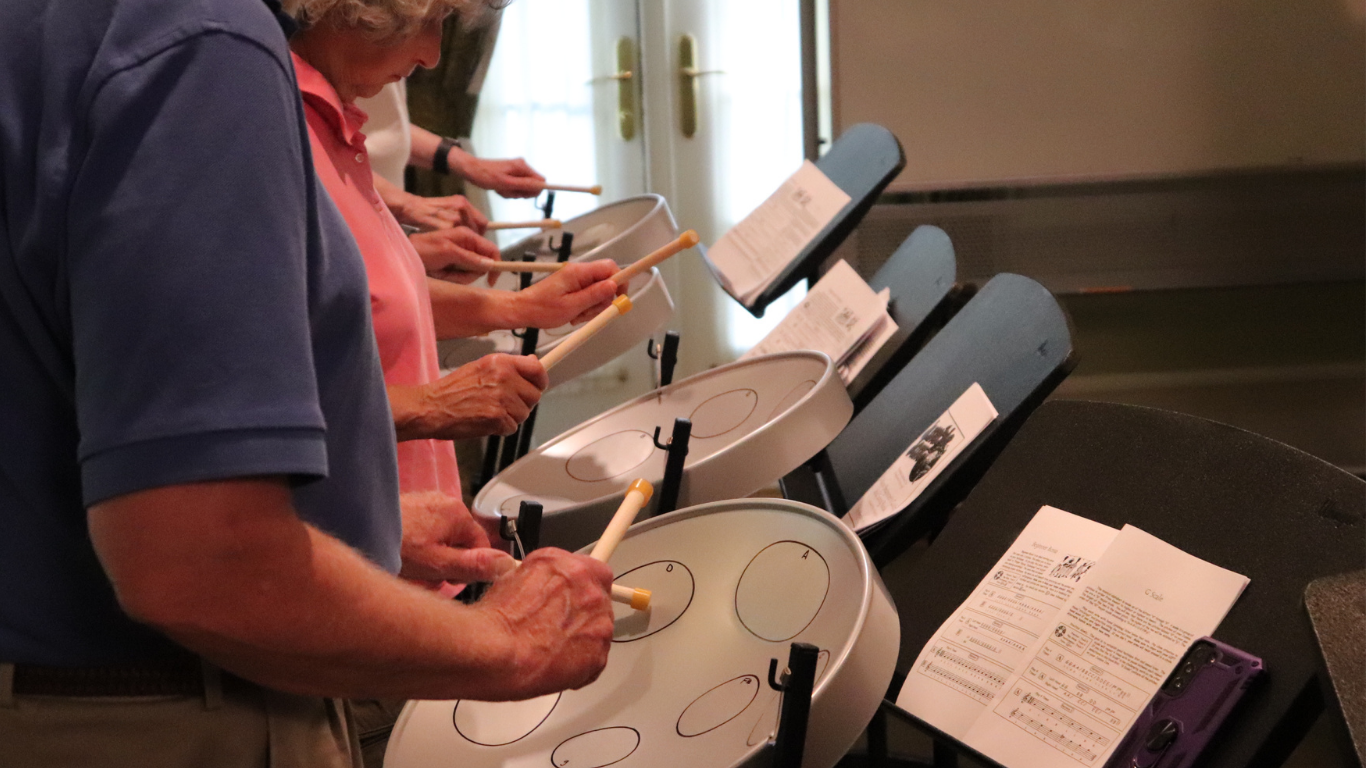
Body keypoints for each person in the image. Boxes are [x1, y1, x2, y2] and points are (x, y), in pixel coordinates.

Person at [0, 0, 615, 765]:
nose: (429, 55)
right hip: (148, 704)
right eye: (439, 16)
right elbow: (200, 563)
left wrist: (353, 521)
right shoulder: (198, 39)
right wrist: (509, 640)